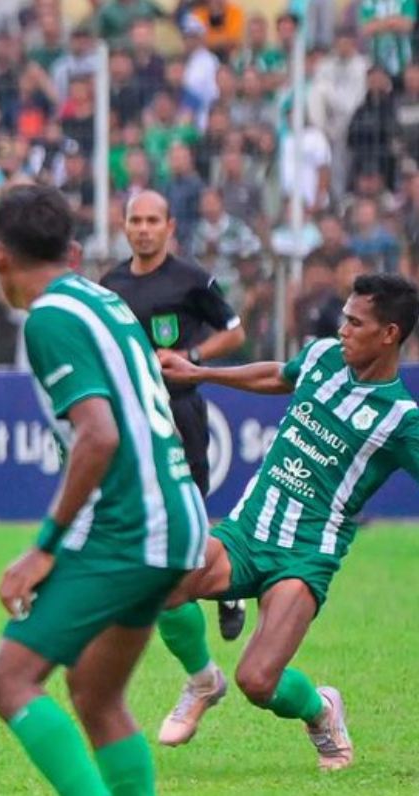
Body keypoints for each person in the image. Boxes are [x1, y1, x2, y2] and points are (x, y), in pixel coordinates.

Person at [0, 184, 208, 796]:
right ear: (72, 249)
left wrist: (46, 546)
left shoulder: (51, 318)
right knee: (95, 692)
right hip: (176, 514)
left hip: (133, 527)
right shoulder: (101, 299)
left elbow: (99, 436)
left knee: (9, 681)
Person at [153, 272, 419, 771]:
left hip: (304, 556)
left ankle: (320, 710)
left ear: (389, 335)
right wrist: (199, 373)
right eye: (344, 318)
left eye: (356, 323)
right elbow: (280, 375)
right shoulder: (322, 358)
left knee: (258, 681)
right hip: (246, 531)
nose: (342, 329)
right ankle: (202, 679)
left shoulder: (400, 420)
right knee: (162, 580)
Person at [100, 190, 249, 642]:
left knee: (190, 509)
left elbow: (235, 333)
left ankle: (229, 586)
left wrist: (192, 355)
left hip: (179, 408)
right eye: (136, 221)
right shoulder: (110, 285)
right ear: (124, 227)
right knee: (136, 506)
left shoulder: (192, 280)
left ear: (170, 228)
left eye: (152, 221)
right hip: (133, 413)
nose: (143, 229)